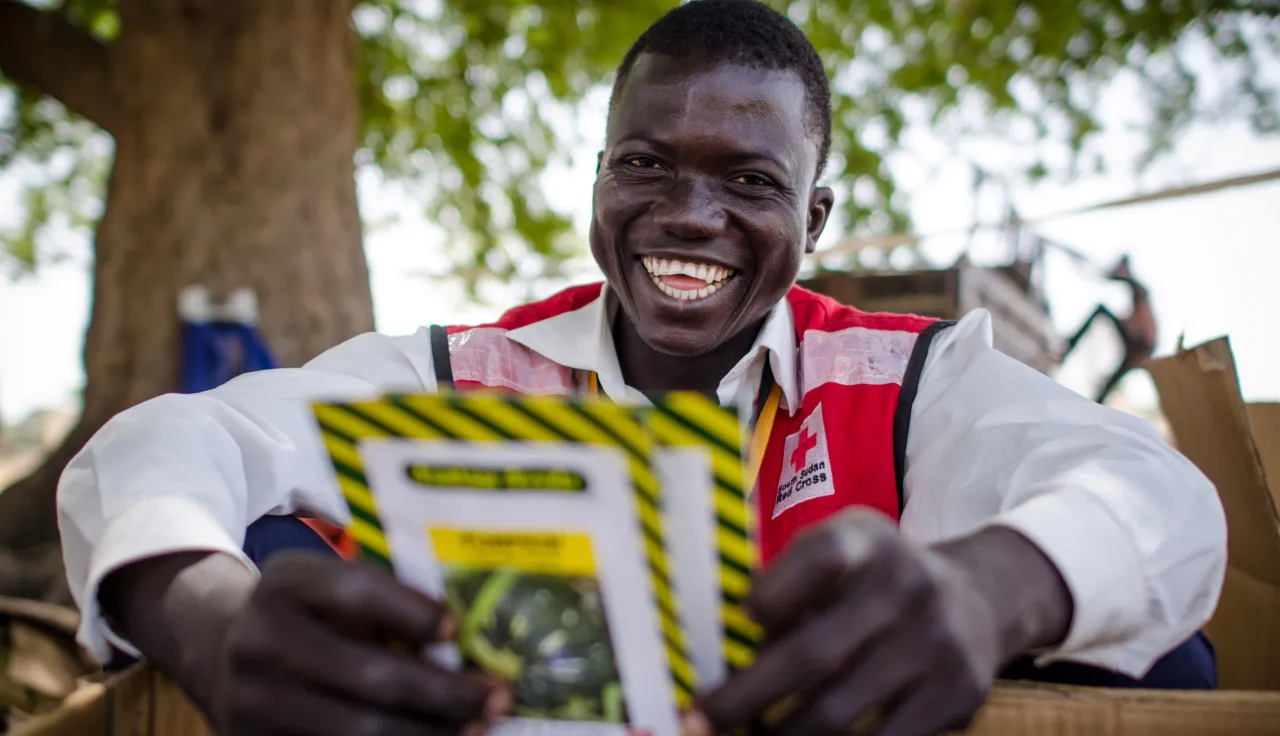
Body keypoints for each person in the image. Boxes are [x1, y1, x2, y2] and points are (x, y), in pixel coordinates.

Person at [58, 2, 1225, 735]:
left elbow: (1155, 500)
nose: (688, 215)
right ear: (599, 179)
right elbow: (166, 445)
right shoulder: (463, 370)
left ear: (815, 216)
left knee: (1146, 647)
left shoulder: (909, 378)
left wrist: (983, 590)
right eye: (645, 165)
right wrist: (209, 621)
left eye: (750, 182)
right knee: (266, 557)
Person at [1062, 255, 1159, 404]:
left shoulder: (1138, 288)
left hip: (1141, 342)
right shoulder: (1135, 288)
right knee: (1113, 378)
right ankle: (1097, 401)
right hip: (1140, 341)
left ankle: (1069, 345)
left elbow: (1140, 324)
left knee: (1101, 310)